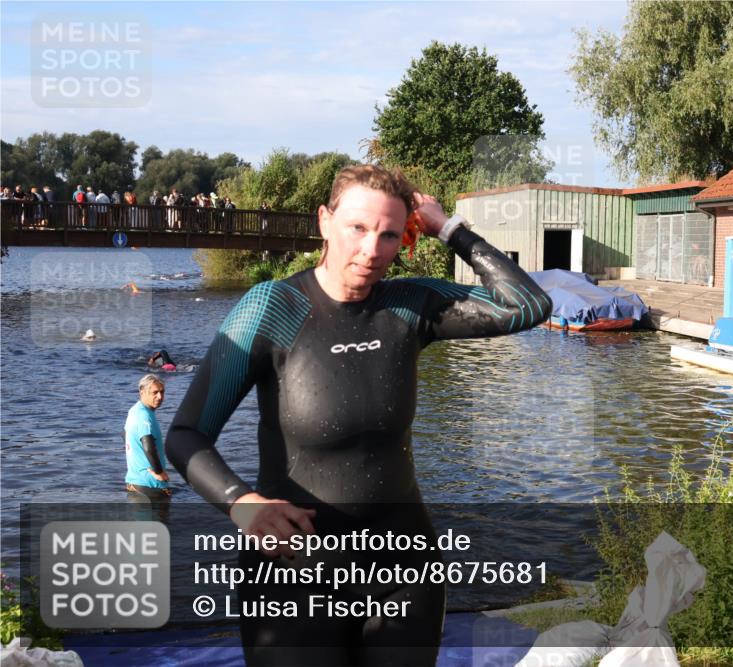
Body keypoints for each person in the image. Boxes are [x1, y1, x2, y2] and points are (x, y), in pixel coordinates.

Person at [166, 165, 552, 667]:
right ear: (325, 221)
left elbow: (528, 304)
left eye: (390, 234)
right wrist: (243, 505)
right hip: (293, 571)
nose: (372, 250)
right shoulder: (273, 309)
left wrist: (450, 229)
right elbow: (186, 435)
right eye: (358, 228)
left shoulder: (409, 306)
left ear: (405, 238)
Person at [125, 374, 171, 501]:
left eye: (162, 392)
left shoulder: (134, 411)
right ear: (142, 392)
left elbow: (125, 435)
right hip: (150, 487)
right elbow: (148, 446)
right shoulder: (144, 416)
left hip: (136, 483)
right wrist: (159, 472)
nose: (160, 397)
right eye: (155, 392)